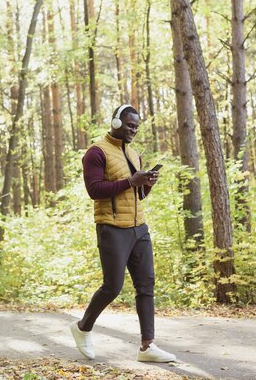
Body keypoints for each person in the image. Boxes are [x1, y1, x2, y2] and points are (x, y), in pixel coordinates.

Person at [69, 105, 176, 363]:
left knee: (145, 285)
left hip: (139, 228)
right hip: (112, 228)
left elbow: (135, 195)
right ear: (116, 122)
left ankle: (147, 346)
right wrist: (131, 181)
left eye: (137, 127)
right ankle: (82, 327)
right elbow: (95, 190)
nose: (134, 131)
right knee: (112, 287)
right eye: (130, 126)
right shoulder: (96, 152)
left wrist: (145, 185)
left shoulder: (132, 153)